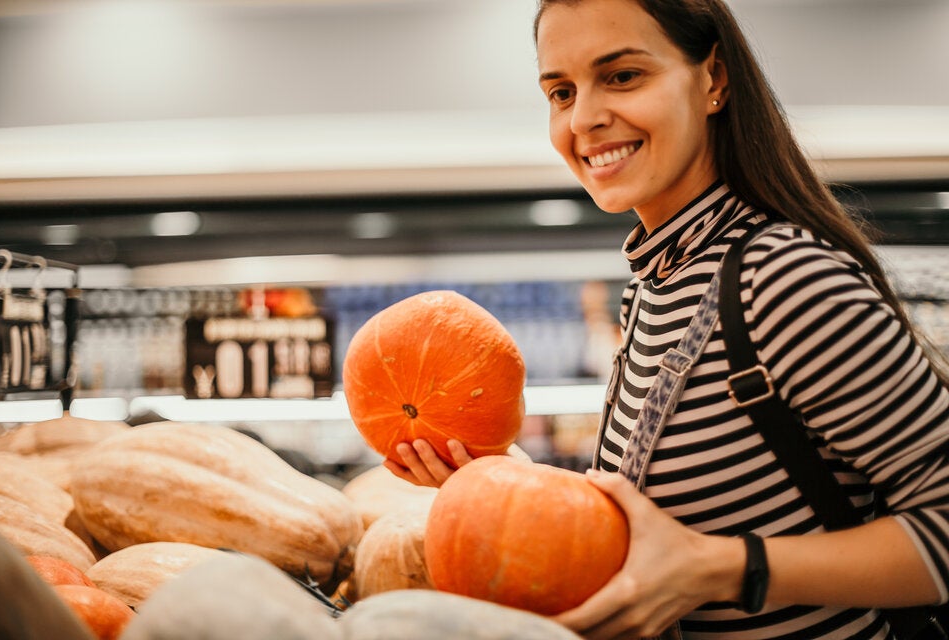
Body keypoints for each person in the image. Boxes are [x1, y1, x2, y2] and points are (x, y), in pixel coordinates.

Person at [383, 0, 949, 637]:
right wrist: (492, 485)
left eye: (622, 76)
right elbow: (659, 528)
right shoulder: (653, 289)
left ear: (713, 78)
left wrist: (722, 569)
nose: (586, 118)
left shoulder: (782, 279)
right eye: (561, 91)